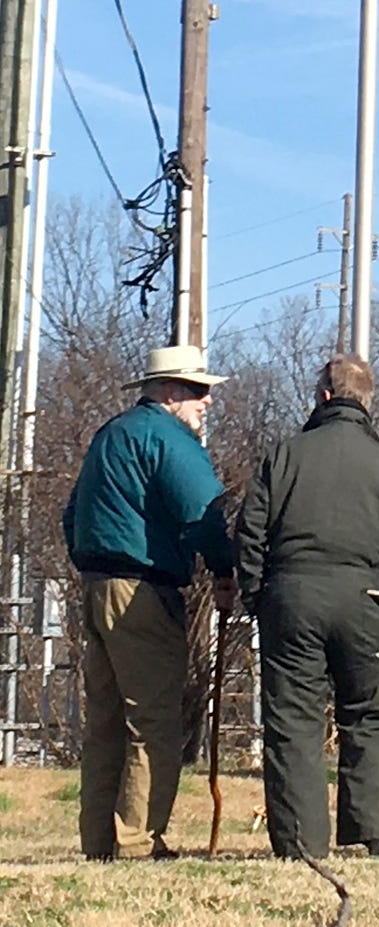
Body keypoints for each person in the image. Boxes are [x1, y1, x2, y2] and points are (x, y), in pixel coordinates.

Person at [235, 354, 379, 862]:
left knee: (294, 723)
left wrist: (258, 596)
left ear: (322, 397)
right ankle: (378, 834)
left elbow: (250, 532)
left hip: (293, 598)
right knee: (369, 718)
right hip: (368, 602)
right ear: (367, 402)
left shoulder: (284, 456)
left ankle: (300, 843)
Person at [62, 342, 238, 861]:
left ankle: (99, 842)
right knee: (153, 720)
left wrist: (90, 563)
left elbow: (72, 515)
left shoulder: (110, 436)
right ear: (168, 392)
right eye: (198, 390)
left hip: (97, 588)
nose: (206, 401)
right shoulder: (170, 439)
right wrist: (224, 570)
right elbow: (203, 512)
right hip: (142, 591)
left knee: (105, 724)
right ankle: (138, 841)